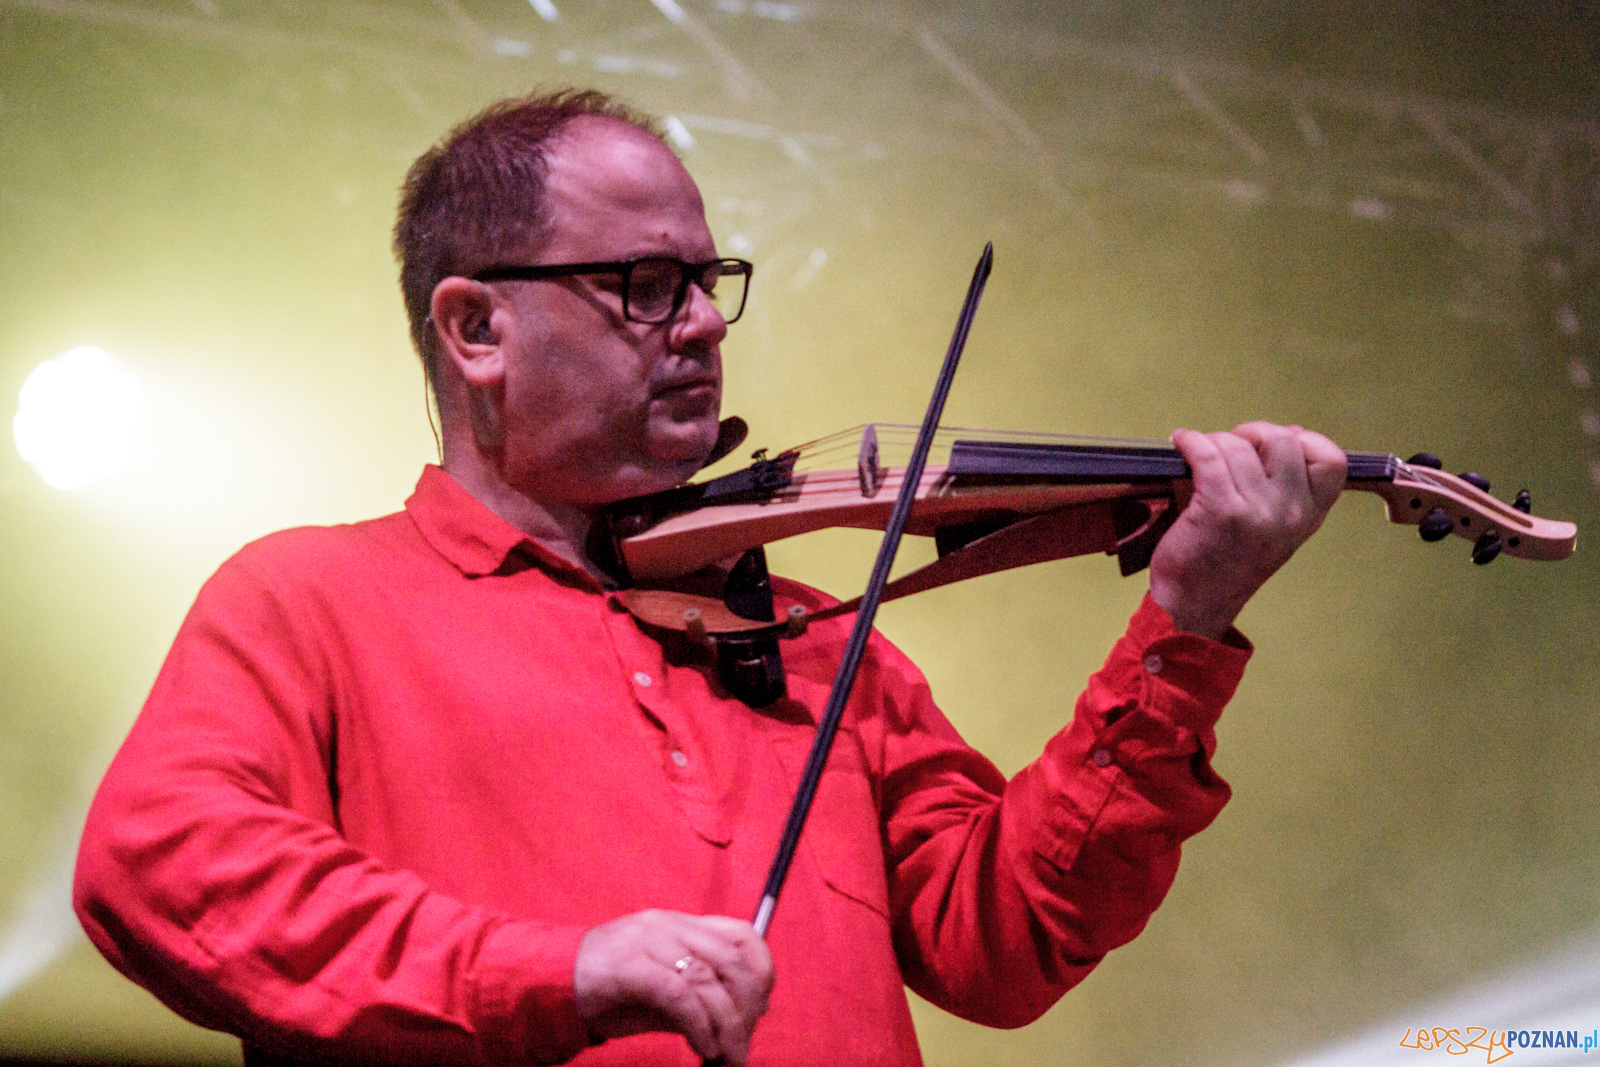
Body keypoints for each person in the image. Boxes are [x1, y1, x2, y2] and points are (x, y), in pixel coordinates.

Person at [73, 89, 1346, 1067]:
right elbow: (162, 864)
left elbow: (997, 941)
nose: (699, 322)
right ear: (476, 327)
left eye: (705, 281)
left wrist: (1185, 620)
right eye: (644, 286)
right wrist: (560, 971)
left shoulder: (803, 634)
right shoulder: (309, 597)